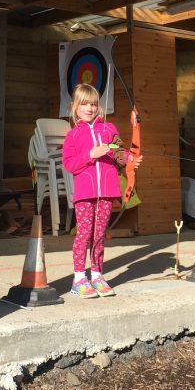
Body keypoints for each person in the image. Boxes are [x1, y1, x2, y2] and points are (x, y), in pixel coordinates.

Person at [61, 83, 141, 298]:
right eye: (84, 104)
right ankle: (79, 278)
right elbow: (69, 164)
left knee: (99, 235)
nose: (90, 108)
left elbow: (118, 153)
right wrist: (91, 154)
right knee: (84, 234)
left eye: (94, 104)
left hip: (106, 191)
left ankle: (96, 275)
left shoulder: (109, 129)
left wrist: (129, 158)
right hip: (85, 194)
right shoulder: (73, 136)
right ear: (74, 106)